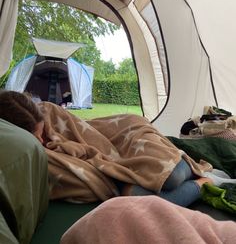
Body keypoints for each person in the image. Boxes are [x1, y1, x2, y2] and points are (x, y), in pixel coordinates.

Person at [0, 90, 235, 207]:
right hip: (117, 170)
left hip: (126, 136)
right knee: (133, 198)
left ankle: (198, 172)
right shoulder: (14, 146)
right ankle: (205, 181)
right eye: (36, 137)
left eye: (43, 133)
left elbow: (87, 136)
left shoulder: (46, 111)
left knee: (171, 176)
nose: (43, 142)